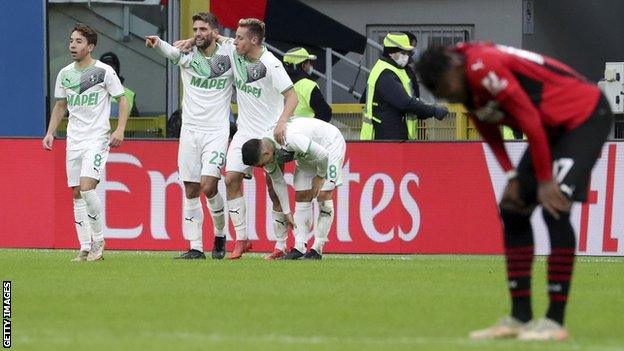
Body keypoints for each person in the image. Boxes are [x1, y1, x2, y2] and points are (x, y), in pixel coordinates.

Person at [416, 42, 613, 341]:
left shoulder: (483, 66)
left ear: (454, 68)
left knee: (554, 206)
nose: (451, 97)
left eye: (448, 89)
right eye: (444, 96)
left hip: (582, 117)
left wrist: (546, 181)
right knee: (513, 208)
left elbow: (528, 118)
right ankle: (520, 317)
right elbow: (487, 126)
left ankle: (555, 322)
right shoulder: (462, 79)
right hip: (548, 128)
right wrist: (510, 174)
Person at [175, 18, 298, 259]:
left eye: (240, 37)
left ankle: (281, 245)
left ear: (254, 40)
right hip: (243, 132)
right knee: (231, 179)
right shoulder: (234, 49)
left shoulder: (271, 63)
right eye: (236, 37)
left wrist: (282, 122)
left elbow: (292, 96)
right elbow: (215, 39)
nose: (235, 40)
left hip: (268, 135)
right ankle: (242, 239)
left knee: (274, 189)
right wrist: (192, 40)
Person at [146, 12, 231, 259]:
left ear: (214, 32)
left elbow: (241, 43)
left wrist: (216, 39)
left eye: (203, 29)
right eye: (195, 30)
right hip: (190, 131)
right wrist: (157, 43)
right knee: (191, 188)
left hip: (216, 130)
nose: (197, 33)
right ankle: (195, 246)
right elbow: (170, 52)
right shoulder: (187, 54)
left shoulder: (228, 55)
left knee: (209, 185)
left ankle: (220, 233)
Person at [43, 23, 129, 261]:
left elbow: (122, 100)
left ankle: (98, 242)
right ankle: (84, 246)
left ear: (90, 47)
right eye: (71, 40)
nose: (73, 45)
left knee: (87, 188)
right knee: (76, 193)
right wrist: (51, 132)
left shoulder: (104, 72)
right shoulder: (65, 73)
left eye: (79, 41)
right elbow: (60, 105)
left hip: (97, 139)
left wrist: (119, 129)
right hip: (74, 140)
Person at [241, 117, 345, 259]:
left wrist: (320, 176)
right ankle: (300, 246)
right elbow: (278, 182)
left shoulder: (289, 138)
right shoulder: (266, 151)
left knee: (323, 194)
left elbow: (322, 154)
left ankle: (317, 248)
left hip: (329, 144)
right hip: (306, 154)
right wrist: (287, 211)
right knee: (302, 195)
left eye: (260, 164)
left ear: (266, 153)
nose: (261, 167)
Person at [360, 32, 448, 141]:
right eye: (402, 52)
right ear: (391, 53)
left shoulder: (398, 70)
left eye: (408, 53)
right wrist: (433, 111)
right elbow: (406, 103)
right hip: (387, 139)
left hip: (395, 137)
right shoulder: (385, 73)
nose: (406, 56)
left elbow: (410, 101)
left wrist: (426, 111)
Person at [283, 47, 332, 121]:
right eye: (309, 63)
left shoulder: (279, 84)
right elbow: (325, 113)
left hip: (282, 129)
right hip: (306, 130)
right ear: (303, 65)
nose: (310, 66)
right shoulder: (308, 86)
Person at [99, 51, 139, 117]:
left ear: (116, 70)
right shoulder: (90, 92)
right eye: (105, 67)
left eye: (111, 67)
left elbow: (137, 124)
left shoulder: (128, 94)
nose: (108, 70)